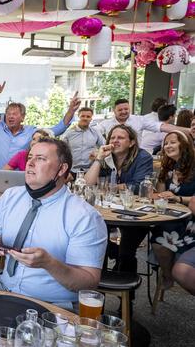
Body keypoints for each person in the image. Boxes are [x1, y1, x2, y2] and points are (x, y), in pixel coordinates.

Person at [0, 138, 107, 308]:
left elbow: (89, 284)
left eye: (40, 158)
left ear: (61, 169)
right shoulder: (10, 197)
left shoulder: (85, 216)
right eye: (30, 157)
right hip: (4, 288)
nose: (30, 163)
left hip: (52, 304)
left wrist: (50, 264)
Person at [84, 124, 153, 278]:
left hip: (135, 213)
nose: (115, 141)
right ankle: (97, 281)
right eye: (112, 137)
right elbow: (88, 183)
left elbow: (139, 186)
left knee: (126, 250)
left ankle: (126, 295)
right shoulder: (106, 157)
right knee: (97, 239)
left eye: (120, 138)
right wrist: (98, 159)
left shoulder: (142, 157)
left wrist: (109, 187)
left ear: (132, 142)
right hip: (109, 211)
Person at [0, 85, 81, 169]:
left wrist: (71, 110)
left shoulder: (31, 132)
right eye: (8, 114)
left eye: (14, 114)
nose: (10, 116)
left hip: (19, 178)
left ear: (23, 117)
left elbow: (58, 129)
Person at [151, 131, 195, 288]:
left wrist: (178, 198)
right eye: (166, 143)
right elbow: (160, 194)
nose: (168, 146)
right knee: (158, 235)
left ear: (184, 144)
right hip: (174, 215)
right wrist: (157, 188)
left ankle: (176, 274)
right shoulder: (169, 167)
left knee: (165, 230)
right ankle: (168, 275)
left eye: (172, 142)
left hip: (192, 219)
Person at [93, 98, 188, 147]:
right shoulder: (106, 123)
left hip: (135, 159)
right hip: (112, 159)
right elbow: (93, 132)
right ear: (114, 111)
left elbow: (161, 127)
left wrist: (188, 130)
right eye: (120, 110)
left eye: (126, 109)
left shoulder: (139, 120)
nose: (123, 112)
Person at [62, 107, 105, 174]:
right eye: (82, 116)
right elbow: (61, 151)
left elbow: (104, 146)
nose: (85, 118)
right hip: (71, 171)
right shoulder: (68, 133)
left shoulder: (96, 132)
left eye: (88, 116)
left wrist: (97, 153)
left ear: (91, 119)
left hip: (90, 170)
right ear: (78, 117)